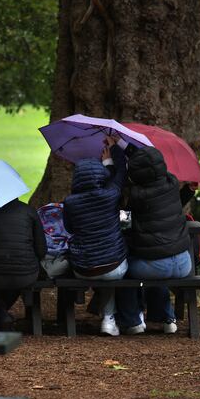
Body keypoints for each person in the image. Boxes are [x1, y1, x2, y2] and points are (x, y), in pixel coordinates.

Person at [113, 137, 192, 335]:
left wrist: (121, 205)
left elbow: (126, 226)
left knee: (124, 270)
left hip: (157, 266)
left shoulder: (138, 195)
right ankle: (167, 317)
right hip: (184, 263)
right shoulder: (172, 183)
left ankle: (133, 321)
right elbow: (148, 163)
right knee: (157, 262)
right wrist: (122, 145)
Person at [62, 139, 128, 336]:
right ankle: (110, 318)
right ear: (101, 175)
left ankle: (104, 315)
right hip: (113, 267)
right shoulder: (111, 195)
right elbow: (121, 173)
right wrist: (112, 153)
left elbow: (69, 227)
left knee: (100, 266)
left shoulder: (70, 202)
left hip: (83, 268)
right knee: (111, 265)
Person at [0, 199, 46, 330]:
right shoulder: (29, 211)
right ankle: (2, 314)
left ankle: (0, 312)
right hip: (25, 273)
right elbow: (41, 250)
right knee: (17, 276)